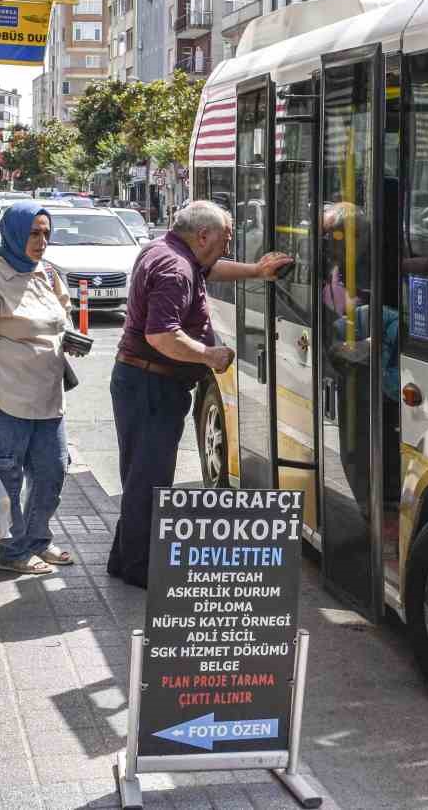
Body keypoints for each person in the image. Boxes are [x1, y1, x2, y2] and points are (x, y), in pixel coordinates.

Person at [106, 200, 292, 588]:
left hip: (142, 382)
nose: (227, 247)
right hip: (152, 385)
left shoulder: (167, 250)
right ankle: (140, 568)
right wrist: (210, 354)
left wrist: (257, 271)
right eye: (225, 238)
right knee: (151, 479)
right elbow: (161, 335)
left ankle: (124, 558)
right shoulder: (175, 269)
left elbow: (211, 267)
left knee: (141, 475)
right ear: (203, 235)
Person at [0, 200, 86, 575]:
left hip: (48, 397)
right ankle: (11, 552)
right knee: (7, 475)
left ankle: (37, 539)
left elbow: (62, 315)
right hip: (5, 399)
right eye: (33, 233)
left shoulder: (46, 274)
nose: (41, 241)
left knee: (53, 471)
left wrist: (69, 337)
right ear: (13, 233)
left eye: (46, 233)